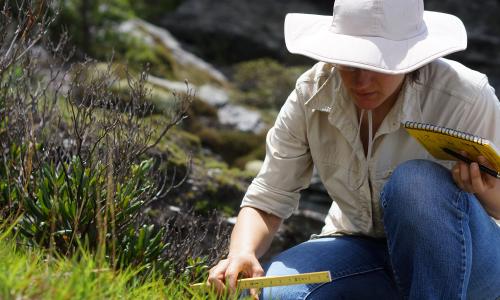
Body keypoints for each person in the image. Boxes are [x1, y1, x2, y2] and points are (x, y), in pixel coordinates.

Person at [207, 0, 500, 299]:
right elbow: (270, 194)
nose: (361, 81)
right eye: (349, 62)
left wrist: (487, 191)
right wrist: (242, 252)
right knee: (272, 294)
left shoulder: (466, 97)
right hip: (359, 245)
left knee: (416, 183)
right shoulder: (312, 93)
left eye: (377, 64)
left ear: (412, 55)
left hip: (469, 262)